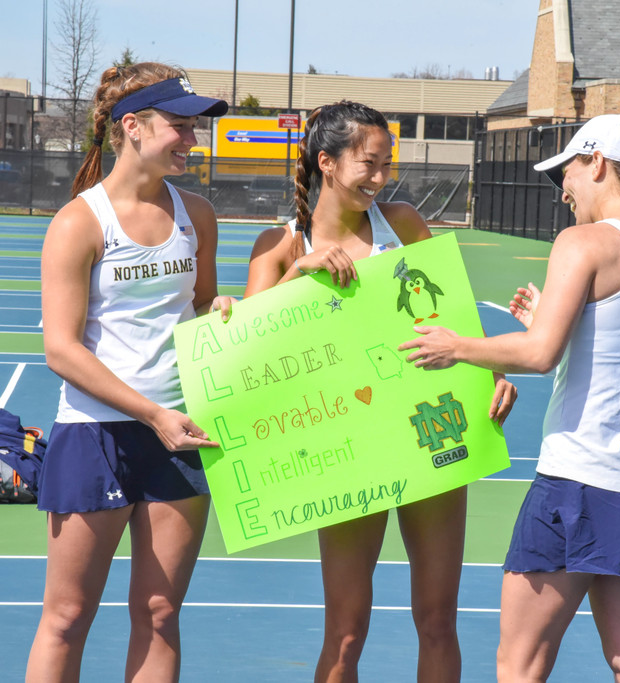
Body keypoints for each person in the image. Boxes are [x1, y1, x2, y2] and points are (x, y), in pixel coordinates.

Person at [400, 114, 620, 682]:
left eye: (567, 173)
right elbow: (609, 353)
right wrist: (545, 324)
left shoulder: (583, 243)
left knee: (519, 665)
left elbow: (540, 355)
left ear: (596, 162)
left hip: (577, 483)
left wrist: (457, 346)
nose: (564, 189)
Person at [244, 100, 517, 683]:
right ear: (328, 162)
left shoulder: (408, 226)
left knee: (438, 620)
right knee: (345, 631)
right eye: (369, 163)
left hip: (430, 433)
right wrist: (298, 276)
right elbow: (247, 357)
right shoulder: (280, 246)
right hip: (347, 451)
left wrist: (491, 372)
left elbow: (457, 319)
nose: (380, 177)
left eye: (386, 164)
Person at [25, 63, 232, 683]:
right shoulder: (78, 223)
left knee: (161, 613)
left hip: (179, 433)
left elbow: (199, 306)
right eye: (180, 126)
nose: (192, 141)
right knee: (66, 618)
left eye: (194, 128)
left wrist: (219, 313)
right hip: (95, 435)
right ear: (132, 126)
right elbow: (61, 351)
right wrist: (151, 414)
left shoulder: (198, 214)